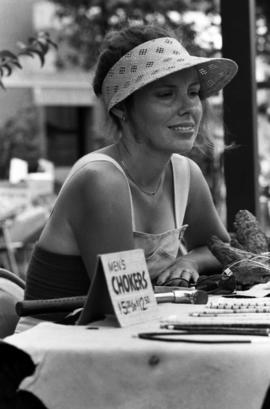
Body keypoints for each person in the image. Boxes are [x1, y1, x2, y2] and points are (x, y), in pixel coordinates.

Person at [17, 23, 238, 330]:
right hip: (57, 353)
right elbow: (126, 305)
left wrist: (189, 261)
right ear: (121, 108)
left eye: (194, 92)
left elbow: (222, 251)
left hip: (125, 340)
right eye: (165, 94)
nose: (189, 107)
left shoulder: (186, 174)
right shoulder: (101, 179)